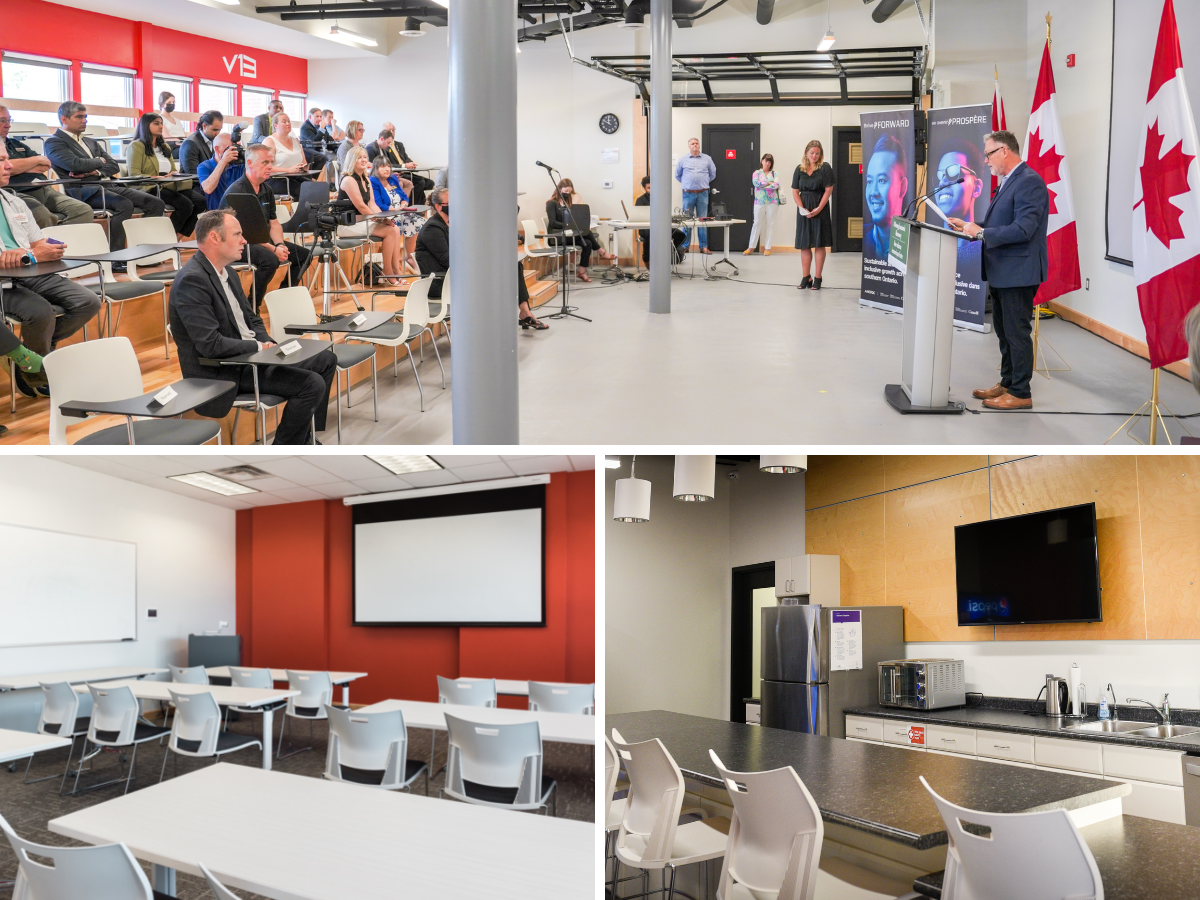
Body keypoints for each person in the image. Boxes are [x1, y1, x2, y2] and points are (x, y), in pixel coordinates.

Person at [169, 209, 336, 444]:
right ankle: (285, 447)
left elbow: (252, 318)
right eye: (237, 234)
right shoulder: (192, 280)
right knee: (311, 384)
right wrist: (258, 346)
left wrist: (266, 344)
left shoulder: (227, 271)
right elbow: (210, 345)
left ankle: (304, 436)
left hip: (251, 356)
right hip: (224, 368)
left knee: (325, 360)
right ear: (215, 238)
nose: (244, 241)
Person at [949, 130, 1049, 411]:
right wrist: (968, 225)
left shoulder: (1029, 182)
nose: (986, 160)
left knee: (1016, 331)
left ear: (1005, 151)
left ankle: (1021, 392)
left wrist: (979, 233)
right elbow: (1000, 223)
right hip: (1003, 269)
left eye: (989, 154)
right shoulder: (1009, 182)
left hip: (1019, 270)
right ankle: (1007, 382)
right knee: (1004, 331)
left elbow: (1023, 229)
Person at [0, 144, 101, 396]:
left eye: (7, 159)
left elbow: (37, 242)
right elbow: (27, 253)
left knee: (88, 301)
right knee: (40, 312)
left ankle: (38, 351)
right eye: (2, 160)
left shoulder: (14, 200)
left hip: (31, 272)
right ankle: (36, 371)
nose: (10, 165)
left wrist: (44, 251)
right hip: (4, 281)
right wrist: (32, 255)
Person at [44, 101, 166, 252]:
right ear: (64, 119)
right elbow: (75, 164)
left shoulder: (91, 141)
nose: (85, 121)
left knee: (155, 203)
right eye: (79, 117)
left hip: (107, 185)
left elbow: (113, 165)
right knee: (124, 204)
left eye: (85, 117)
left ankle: (145, 251)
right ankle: (117, 256)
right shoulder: (54, 142)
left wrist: (95, 171)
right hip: (83, 190)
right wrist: (100, 161)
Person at [221, 144, 311, 304]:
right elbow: (247, 233)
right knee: (270, 260)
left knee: (304, 256)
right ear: (249, 163)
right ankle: (252, 306)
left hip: (259, 241)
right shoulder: (238, 191)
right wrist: (273, 249)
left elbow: (274, 222)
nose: (270, 166)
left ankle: (284, 299)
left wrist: (280, 244)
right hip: (235, 244)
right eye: (265, 162)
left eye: (271, 162)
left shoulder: (266, 189)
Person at [0, 105, 92, 229]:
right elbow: (9, 168)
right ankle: (47, 246)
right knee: (44, 216)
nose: (8, 125)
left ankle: (63, 244)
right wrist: (34, 160)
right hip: (16, 192)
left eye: (9, 120)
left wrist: (24, 165)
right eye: (2, 120)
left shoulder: (15, 144)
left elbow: (45, 164)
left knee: (83, 210)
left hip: (43, 189)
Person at [127, 112, 205, 239]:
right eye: (156, 123)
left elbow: (173, 169)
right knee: (185, 205)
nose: (161, 126)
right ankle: (166, 239)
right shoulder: (136, 146)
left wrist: (174, 174)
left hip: (169, 185)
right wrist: (158, 178)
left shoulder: (165, 146)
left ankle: (177, 236)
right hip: (150, 187)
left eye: (161, 123)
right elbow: (134, 175)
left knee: (201, 201)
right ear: (146, 125)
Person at [338, 146, 405, 285]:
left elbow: (372, 204)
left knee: (395, 228)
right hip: (347, 224)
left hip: (362, 221)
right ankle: (388, 270)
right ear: (352, 160)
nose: (363, 160)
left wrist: (384, 218)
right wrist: (379, 219)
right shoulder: (348, 179)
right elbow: (361, 207)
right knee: (389, 231)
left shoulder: (366, 179)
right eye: (359, 157)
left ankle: (396, 268)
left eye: (364, 157)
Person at [545, 177, 614, 283]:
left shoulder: (567, 203)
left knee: (587, 243)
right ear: (559, 189)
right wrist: (567, 225)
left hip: (568, 234)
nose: (568, 193)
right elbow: (553, 222)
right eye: (566, 191)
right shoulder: (551, 203)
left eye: (570, 191)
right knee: (587, 232)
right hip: (557, 236)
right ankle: (602, 252)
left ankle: (581, 272)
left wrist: (574, 224)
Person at [932, 139, 987, 272]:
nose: (942, 182)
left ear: (976, 187)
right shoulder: (930, 251)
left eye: (953, 172)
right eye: (940, 175)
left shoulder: (983, 253)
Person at [792, 140, 835, 290]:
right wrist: (801, 208)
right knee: (805, 244)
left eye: (817, 153)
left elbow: (829, 189)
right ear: (806, 153)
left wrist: (818, 208)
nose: (814, 156)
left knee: (819, 243)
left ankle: (817, 277)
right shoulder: (799, 169)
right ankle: (806, 277)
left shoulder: (825, 168)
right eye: (812, 153)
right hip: (804, 209)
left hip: (820, 207)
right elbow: (795, 191)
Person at [369, 156, 424, 274]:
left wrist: (404, 203)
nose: (387, 169)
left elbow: (403, 196)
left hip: (399, 212)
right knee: (411, 222)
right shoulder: (373, 181)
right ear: (376, 168)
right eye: (383, 167)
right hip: (386, 214)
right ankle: (396, 265)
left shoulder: (392, 178)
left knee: (419, 221)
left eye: (388, 166)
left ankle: (409, 256)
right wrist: (395, 209)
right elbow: (379, 204)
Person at [863, 133, 908, 261]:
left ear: (902, 187)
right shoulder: (865, 239)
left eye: (882, 180)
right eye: (870, 181)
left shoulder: (911, 242)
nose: (873, 192)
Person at [673, 137, 716, 253]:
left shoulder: (707, 159)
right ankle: (685, 246)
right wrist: (688, 183)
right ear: (689, 146)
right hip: (688, 194)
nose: (695, 145)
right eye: (692, 144)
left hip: (703, 193)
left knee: (703, 220)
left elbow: (713, 174)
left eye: (697, 143)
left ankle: (703, 246)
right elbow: (677, 175)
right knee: (687, 220)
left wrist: (703, 183)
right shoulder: (683, 159)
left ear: (699, 145)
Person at [634, 175, 686, 267]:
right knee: (650, 236)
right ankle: (647, 259)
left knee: (681, 235)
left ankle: (666, 254)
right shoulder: (640, 200)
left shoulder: (662, 198)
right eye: (649, 188)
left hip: (661, 226)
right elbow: (639, 217)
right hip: (647, 227)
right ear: (644, 188)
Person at [261, 113, 310, 196]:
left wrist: (304, 167)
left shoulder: (295, 140)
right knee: (302, 190)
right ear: (275, 125)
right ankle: (299, 209)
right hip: (276, 179)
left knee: (316, 187)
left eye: (289, 121)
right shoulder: (269, 141)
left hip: (295, 176)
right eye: (284, 122)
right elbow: (264, 167)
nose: (288, 124)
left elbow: (304, 162)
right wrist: (287, 170)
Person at [746, 153, 784, 256]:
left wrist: (764, 184)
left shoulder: (775, 173)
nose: (767, 163)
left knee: (770, 224)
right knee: (756, 223)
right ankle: (751, 247)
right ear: (762, 161)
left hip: (773, 201)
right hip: (759, 201)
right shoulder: (756, 173)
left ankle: (767, 248)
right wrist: (769, 183)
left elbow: (776, 185)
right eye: (766, 160)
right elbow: (756, 183)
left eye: (769, 161)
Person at [196, 133, 244, 210]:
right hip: (217, 215)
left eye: (235, 148)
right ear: (217, 149)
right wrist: (223, 161)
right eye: (230, 149)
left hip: (239, 211)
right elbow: (208, 189)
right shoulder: (204, 166)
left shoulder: (240, 165)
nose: (234, 152)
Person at [180, 110, 223, 175]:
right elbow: (192, 175)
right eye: (215, 130)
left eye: (220, 129)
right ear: (204, 126)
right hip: (197, 184)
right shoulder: (190, 144)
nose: (218, 133)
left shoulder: (214, 141)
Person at [299, 107, 335, 174]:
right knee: (329, 158)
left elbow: (328, 138)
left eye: (320, 116)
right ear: (310, 117)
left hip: (322, 149)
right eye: (317, 116)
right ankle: (319, 179)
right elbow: (314, 141)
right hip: (310, 150)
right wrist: (321, 129)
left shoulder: (319, 125)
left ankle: (335, 181)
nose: (319, 119)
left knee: (337, 155)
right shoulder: (305, 127)